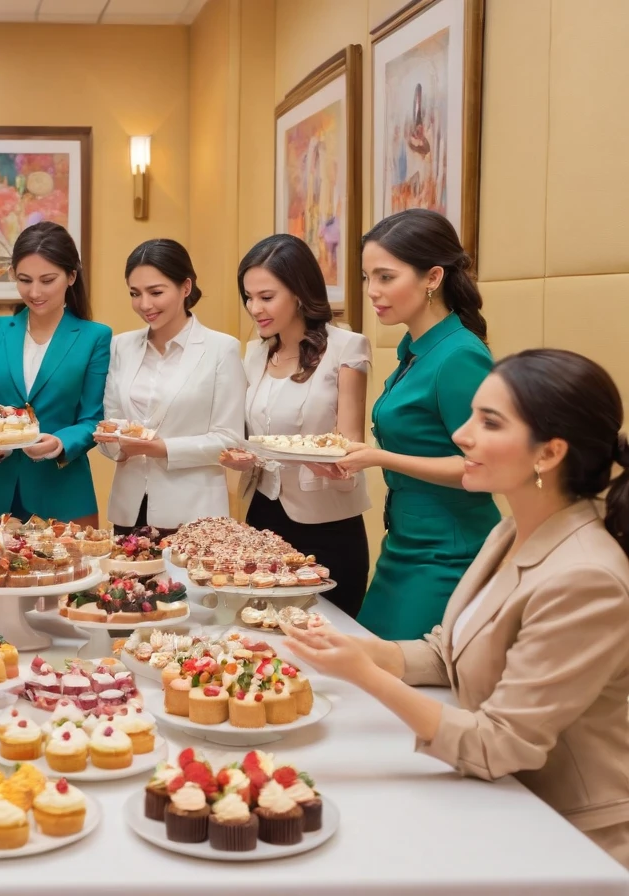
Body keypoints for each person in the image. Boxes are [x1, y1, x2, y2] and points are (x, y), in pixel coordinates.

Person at [281, 349, 629, 868]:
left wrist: (368, 676)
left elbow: (499, 746)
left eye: (488, 422)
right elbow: (449, 650)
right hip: (500, 798)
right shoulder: (511, 527)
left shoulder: (588, 578)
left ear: (548, 453)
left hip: (569, 837)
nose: (462, 435)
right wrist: (355, 650)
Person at [336, 209, 499, 639]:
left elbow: (481, 469)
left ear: (432, 277)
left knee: (397, 685)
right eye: (368, 277)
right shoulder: (414, 348)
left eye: (386, 277)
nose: (373, 291)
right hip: (405, 542)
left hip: (448, 550)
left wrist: (377, 457)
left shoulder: (459, 355)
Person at [220, 234, 371, 618]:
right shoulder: (254, 353)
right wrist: (243, 456)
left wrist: (336, 464)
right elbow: (252, 435)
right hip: (263, 518)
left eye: (266, 297)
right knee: (262, 634)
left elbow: (351, 444)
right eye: (249, 297)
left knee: (329, 637)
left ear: (300, 292)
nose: (255, 308)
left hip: (326, 521)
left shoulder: (346, 348)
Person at [0, 221, 111, 524]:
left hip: (61, 491)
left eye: (47, 280)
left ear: (71, 276)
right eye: (24, 280)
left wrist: (61, 443)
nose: (34, 292)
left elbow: (94, 418)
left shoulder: (95, 337)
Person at [97, 238, 245, 535]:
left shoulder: (221, 349)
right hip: (129, 511)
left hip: (195, 513)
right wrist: (115, 447)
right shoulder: (120, 346)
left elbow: (228, 439)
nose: (144, 305)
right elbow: (110, 425)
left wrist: (159, 448)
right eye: (135, 294)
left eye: (156, 292)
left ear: (185, 288)